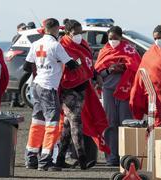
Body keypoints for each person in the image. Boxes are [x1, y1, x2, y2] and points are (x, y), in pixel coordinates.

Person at [23, 18, 80, 171]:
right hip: (48, 88)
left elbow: (26, 66)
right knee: (52, 124)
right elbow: (72, 65)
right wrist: (78, 62)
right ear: (55, 29)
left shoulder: (35, 44)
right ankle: (45, 160)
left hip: (36, 86)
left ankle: (31, 158)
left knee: (37, 122)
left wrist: (42, 68)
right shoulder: (56, 46)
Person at [53, 19, 102, 171]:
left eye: (81, 33)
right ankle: (82, 159)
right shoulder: (62, 46)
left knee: (68, 125)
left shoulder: (83, 45)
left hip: (81, 88)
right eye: (76, 33)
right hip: (67, 88)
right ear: (67, 33)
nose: (79, 36)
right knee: (76, 121)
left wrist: (94, 75)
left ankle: (60, 158)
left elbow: (87, 63)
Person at [94, 26, 141, 166]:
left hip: (126, 91)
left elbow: (137, 68)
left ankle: (126, 157)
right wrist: (109, 70)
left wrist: (125, 67)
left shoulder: (130, 50)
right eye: (110, 38)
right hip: (108, 91)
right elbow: (97, 73)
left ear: (121, 38)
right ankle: (112, 157)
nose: (113, 41)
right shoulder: (104, 51)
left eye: (115, 38)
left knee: (125, 122)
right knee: (110, 123)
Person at [129, 25, 161, 127]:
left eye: (160, 38)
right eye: (155, 38)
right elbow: (141, 73)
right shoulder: (150, 52)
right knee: (155, 122)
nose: (158, 40)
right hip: (153, 94)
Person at [10, 23, 27, 107]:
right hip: (18, 59)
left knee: (17, 79)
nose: (25, 30)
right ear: (18, 29)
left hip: (17, 59)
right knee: (17, 79)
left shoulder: (19, 36)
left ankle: (15, 100)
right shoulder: (18, 37)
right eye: (23, 28)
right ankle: (15, 100)